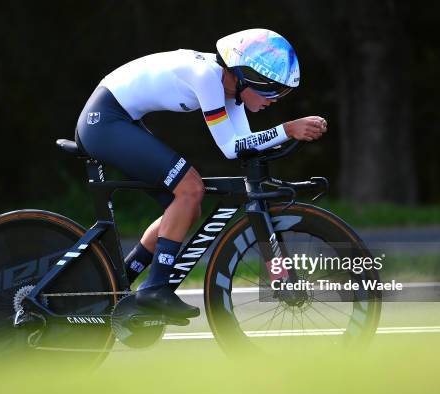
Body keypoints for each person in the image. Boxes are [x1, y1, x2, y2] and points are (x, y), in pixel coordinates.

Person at [75, 28, 327, 319]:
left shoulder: (231, 89)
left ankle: (119, 284)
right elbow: (231, 146)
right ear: (246, 76)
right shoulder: (207, 77)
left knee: (185, 207)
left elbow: (244, 146)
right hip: (104, 121)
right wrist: (287, 129)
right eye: (271, 88)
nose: (275, 98)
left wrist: (286, 136)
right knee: (191, 189)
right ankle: (154, 288)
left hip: (120, 119)